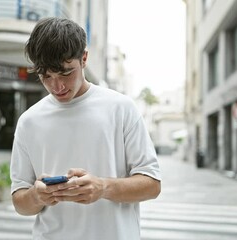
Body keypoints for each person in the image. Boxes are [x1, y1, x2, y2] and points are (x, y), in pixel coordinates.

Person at [10, 17, 161, 240]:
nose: (57, 86)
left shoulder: (121, 108)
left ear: (84, 59)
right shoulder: (29, 121)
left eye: (66, 73)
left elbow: (152, 185)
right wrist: (37, 196)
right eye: (46, 76)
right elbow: (20, 202)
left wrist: (103, 187)